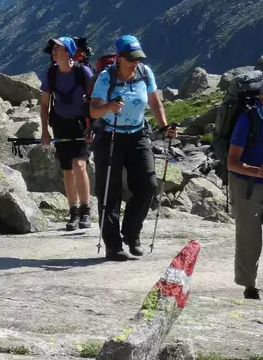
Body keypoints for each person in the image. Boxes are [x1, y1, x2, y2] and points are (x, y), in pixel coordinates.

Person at [89, 35, 176, 261]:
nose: (135, 61)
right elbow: (94, 111)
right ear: (120, 57)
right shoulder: (106, 78)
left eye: (138, 57)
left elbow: (155, 102)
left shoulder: (144, 73)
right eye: (130, 58)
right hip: (110, 135)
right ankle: (113, 244)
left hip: (138, 134)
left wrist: (164, 126)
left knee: (148, 185)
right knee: (110, 190)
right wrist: (109, 106)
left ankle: (131, 233)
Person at [40, 36, 94, 230]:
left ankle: (85, 211)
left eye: (58, 48)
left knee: (79, 164)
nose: (54, 51)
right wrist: (45, 131)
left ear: (68, 52)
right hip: (60, 125)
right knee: (67, 170)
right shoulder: (51, 74)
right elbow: (45, 104)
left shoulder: (83, 72)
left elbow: (96, 99)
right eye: (53, 48)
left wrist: (93, 126)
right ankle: (73, 213)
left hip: (82, 125)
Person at [226, 91, 263, 300]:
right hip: (246, 184)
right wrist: (255, 171)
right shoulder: (247, 120)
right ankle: (250, 287)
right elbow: (231, 162)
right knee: (250, 237)